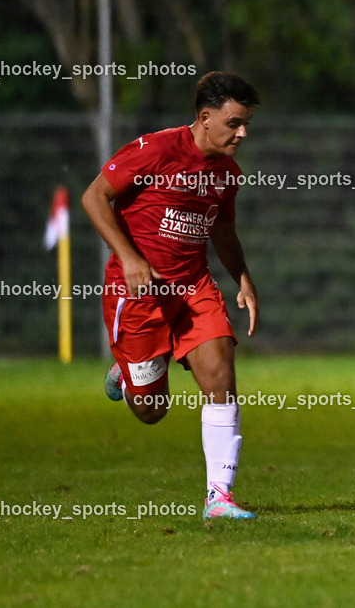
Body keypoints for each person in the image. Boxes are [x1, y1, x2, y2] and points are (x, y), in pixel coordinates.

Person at [82, 71, 261, 520]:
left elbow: (222, 230)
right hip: (138, 292)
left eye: (246, 124)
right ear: (205, 117)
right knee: (151, 411)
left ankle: (219, 498)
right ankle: (127, 376)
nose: (242, 133)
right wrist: (129, 257)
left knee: (220, 370)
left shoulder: (226, 174)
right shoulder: (156, 149)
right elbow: (94, 197)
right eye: (234, 123)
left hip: (194, 287)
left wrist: (242, 278)